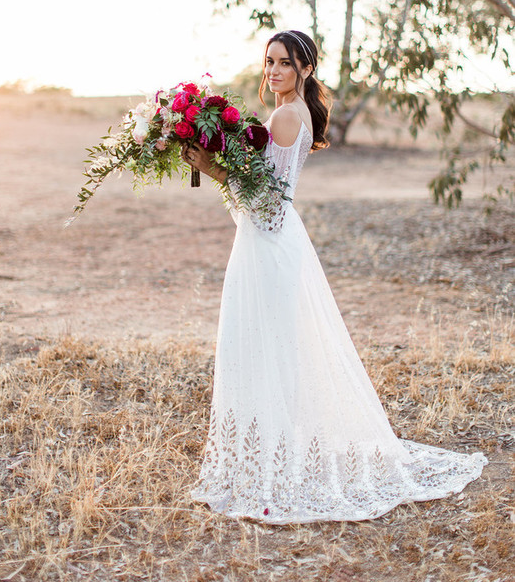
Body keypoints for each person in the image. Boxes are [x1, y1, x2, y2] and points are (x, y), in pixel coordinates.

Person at [182, 30, 486, 523]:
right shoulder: (292, 112)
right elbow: (266, 193)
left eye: (284, 63)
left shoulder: (284, 115)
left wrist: (211, 169)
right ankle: (277, 456)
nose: (273, 71)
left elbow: (266, 205)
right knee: (277, 346)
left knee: (269, 347)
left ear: (305, 68)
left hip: (268, 245)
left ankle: (275, 467)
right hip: (273, 244)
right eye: (269, 62)